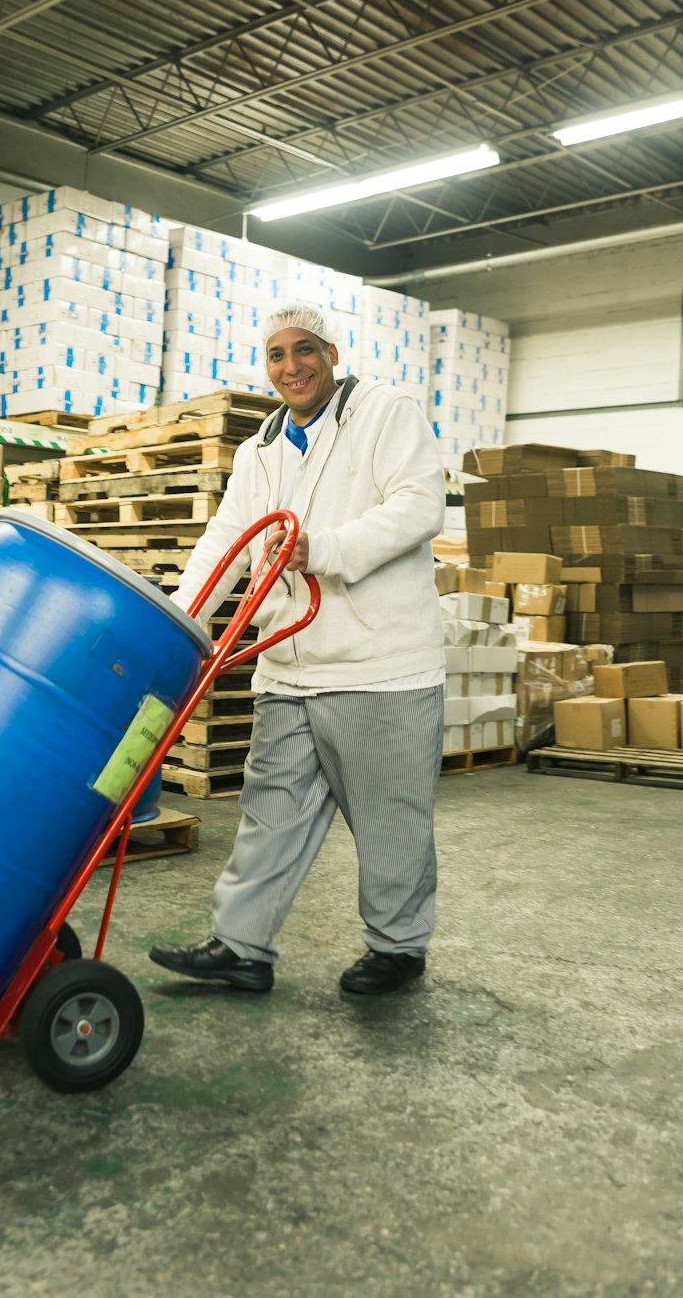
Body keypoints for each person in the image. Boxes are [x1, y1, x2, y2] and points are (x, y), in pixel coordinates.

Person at [149, 302, 446, 997]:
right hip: (288, 665)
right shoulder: (261, 447)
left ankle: (398, 948)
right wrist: (182, 622)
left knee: (388, 819)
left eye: (304, 349)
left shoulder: (384, 412)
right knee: (270, 812)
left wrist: (326, 550)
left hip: (379, 667)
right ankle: (241, 946)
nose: (292, 366)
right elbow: (227, 536)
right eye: (277, 354)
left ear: (332, 353)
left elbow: (418, 504)